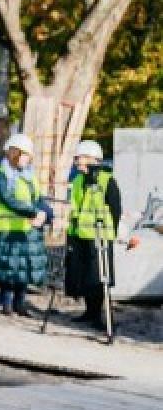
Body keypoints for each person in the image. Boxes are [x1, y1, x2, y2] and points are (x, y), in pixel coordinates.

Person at [0, 133, 51, 317]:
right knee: (8, 268)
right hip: (8, 229)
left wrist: (46, 214)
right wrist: (33, 212)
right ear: (14, 154)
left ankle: (20, 304)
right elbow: (8, 199)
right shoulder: (1, 175)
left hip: (27, 229)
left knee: (24, 268)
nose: (28, 159)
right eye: (25, 155)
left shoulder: (29, 176)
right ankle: (6, 303)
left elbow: (38, 199)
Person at [64, 139, 122, 329]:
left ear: (91, 158)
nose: (76, 160)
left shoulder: (107, 181)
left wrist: (110, 230)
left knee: (99, 277)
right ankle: (89, 312)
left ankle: (98, 316)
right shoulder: (78, 180)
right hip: (79, 234)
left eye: (79, 157)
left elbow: (115, 209)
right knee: (84, 276)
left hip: (100, 237)